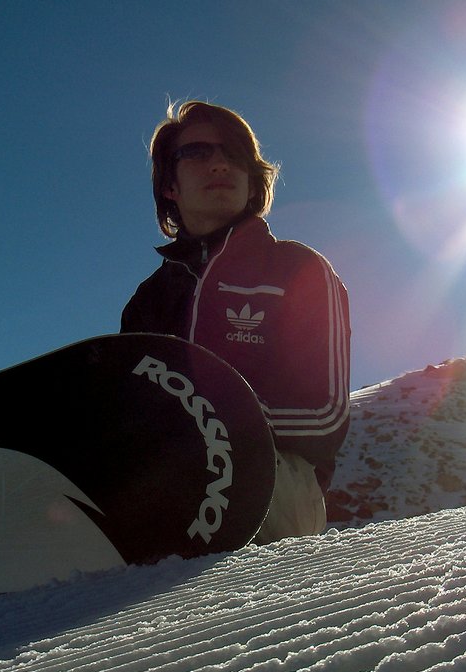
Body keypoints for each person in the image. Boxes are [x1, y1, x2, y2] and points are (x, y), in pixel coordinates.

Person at [121, 101, 351, 542]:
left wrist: (211, 419)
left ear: (252, 180)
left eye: (235, 154)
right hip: (161, 485)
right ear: (170, 185)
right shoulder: (150, 300)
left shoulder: (298, 270)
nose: (220, 164)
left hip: (269, 478)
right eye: (197, 153)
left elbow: (326, 416)